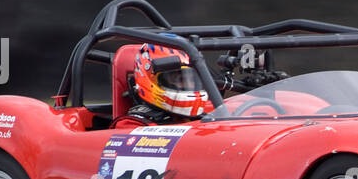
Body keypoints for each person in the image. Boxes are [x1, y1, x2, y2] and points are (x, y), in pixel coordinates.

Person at [116, 43, 286, 127]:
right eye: (179, 80)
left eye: (192, 79)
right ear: (150, 80)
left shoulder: (207, 110)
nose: (188, 85)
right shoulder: (132, 124)